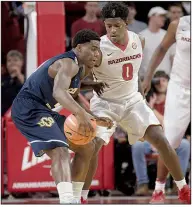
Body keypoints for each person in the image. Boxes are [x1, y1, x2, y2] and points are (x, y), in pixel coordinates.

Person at [79, 3, 190, 204]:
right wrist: (91, 83)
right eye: (108, 26)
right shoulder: (97, 48)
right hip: (105, 104)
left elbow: (134, 71)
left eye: (116, 26)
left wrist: (141, 91)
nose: (112, 30)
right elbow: (77, 77)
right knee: (92, 147)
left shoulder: (140, 40)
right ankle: (81, 197)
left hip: (132, 101)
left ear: (127, 23)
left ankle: (183, 188)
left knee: (162, 140)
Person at [11, 29, 112, 204]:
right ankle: (66, 201)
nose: (97, 53)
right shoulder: (67, 63)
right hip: (28, 108)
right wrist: (81, 114)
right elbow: (59, 93)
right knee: (60, 149)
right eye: (93, 48)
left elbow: (72, 96)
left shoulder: (78, 70)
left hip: (44, 110)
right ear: (79, 48)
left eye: (98, 49)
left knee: (88, 145)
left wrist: (93, 117)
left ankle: (76, 197)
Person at [143, 15, 190, 203]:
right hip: (180, 88)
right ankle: (159, 190)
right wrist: (147, 77)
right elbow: (161, 48)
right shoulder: (178, 25)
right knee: (169, 141)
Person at [132, 71, 190, 196]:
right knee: (137, 146)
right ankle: (142, 184)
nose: (160, 83)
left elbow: (168, 124)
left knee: (185, 145)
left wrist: (151, 109)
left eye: (164, 80)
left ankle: (178, 184)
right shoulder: (146, 98)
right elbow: (141, 123)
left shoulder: (175, 101)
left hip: (170, 139)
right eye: (158, 80)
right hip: (150, 139)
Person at [139, 7, 172, 78]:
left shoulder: (168, 35)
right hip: (146, 79)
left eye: (164, 16)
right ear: (152, 17)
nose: (164, 18)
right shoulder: (140, 36)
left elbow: (172, 57)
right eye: (161, 16)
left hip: (165, 79)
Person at [2, 50, 25, 116]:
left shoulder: (28, 79)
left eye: (15, 60)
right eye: (9, 61)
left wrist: (19, 75)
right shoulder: (3, 79)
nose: (12, 63)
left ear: (21, 63)